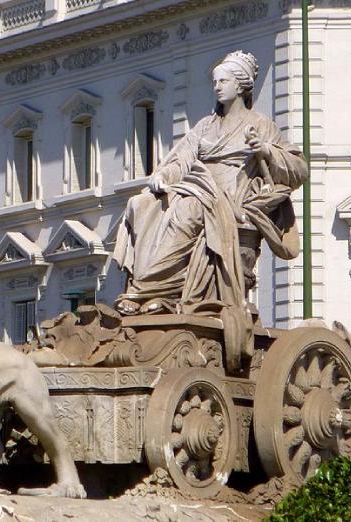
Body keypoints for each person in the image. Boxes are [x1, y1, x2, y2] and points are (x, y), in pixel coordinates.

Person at [113, 50, 307, 339]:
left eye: (223, 81)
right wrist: (163, 177)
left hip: (233, 195)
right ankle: (155, 294)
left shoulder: (262, 125)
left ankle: (145, 289)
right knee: (140, 204)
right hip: (197, 184)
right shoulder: (205, 125)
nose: (217, 87)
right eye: (215, 82)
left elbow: (298, 169)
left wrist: (265, 150)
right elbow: (182, 159)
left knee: (187, 211)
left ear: (240, 85)